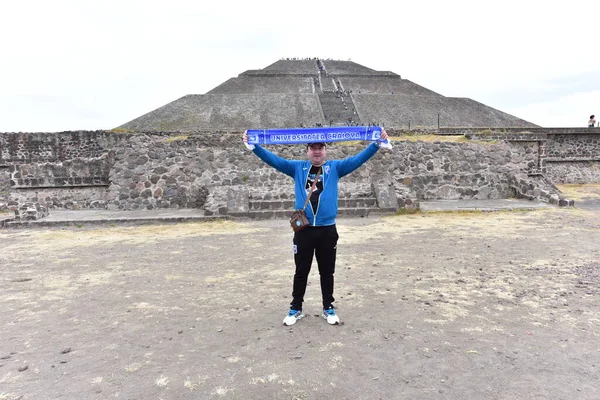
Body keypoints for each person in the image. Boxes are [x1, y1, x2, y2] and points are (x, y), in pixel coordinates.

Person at [242, 129, 389, 326]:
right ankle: (296, 308)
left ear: (325, 150)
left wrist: (376, 144)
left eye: (320, 148)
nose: (317, 151)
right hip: (304, 231)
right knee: (301, 271)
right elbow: (274, 160)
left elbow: (357, 160)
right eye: (313, 148)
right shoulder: (297, 168)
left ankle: (328, 307)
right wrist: (254, 146)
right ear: (307, 150)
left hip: (327, 230)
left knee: (327, 271)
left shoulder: (335, 168)